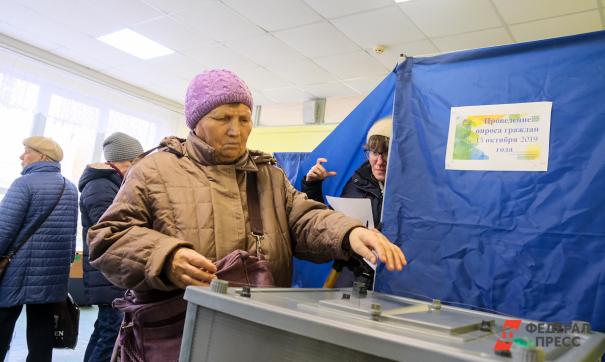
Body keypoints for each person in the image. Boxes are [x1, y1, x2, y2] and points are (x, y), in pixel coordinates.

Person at [88, 69, 405, 298]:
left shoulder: (268, 174)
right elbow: (108, 238)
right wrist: (165, 257)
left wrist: (350, 232)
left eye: (244, 119)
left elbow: (305, 218)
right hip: (180, 329)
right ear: (196, 123)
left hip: (257, 327)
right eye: (223, 118)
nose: (236, 130)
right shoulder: (155, 169)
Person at [0, 136, 78, 362]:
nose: (21, 156)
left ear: (42, 156)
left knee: (3, 323)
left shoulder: (24, 184)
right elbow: (71, 235)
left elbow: (4, 230)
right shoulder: (69, 187)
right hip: (51, 274)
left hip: (17, 270)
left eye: (26, 151)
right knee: (42, 334)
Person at [78, 132, 143, 362]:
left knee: (105, 329)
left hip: (109, 273)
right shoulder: (100, 187)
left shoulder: (109, 184)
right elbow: (110, 231)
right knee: (110, 333)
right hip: (107, 272)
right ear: (126, 160)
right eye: (136, 161)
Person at [302, 117, 392, 229]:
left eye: (386, 153)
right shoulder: (356, 183)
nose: (379, 162)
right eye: (374, 152)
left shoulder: (410, 189)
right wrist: (312, 186)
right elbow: (331, 227)